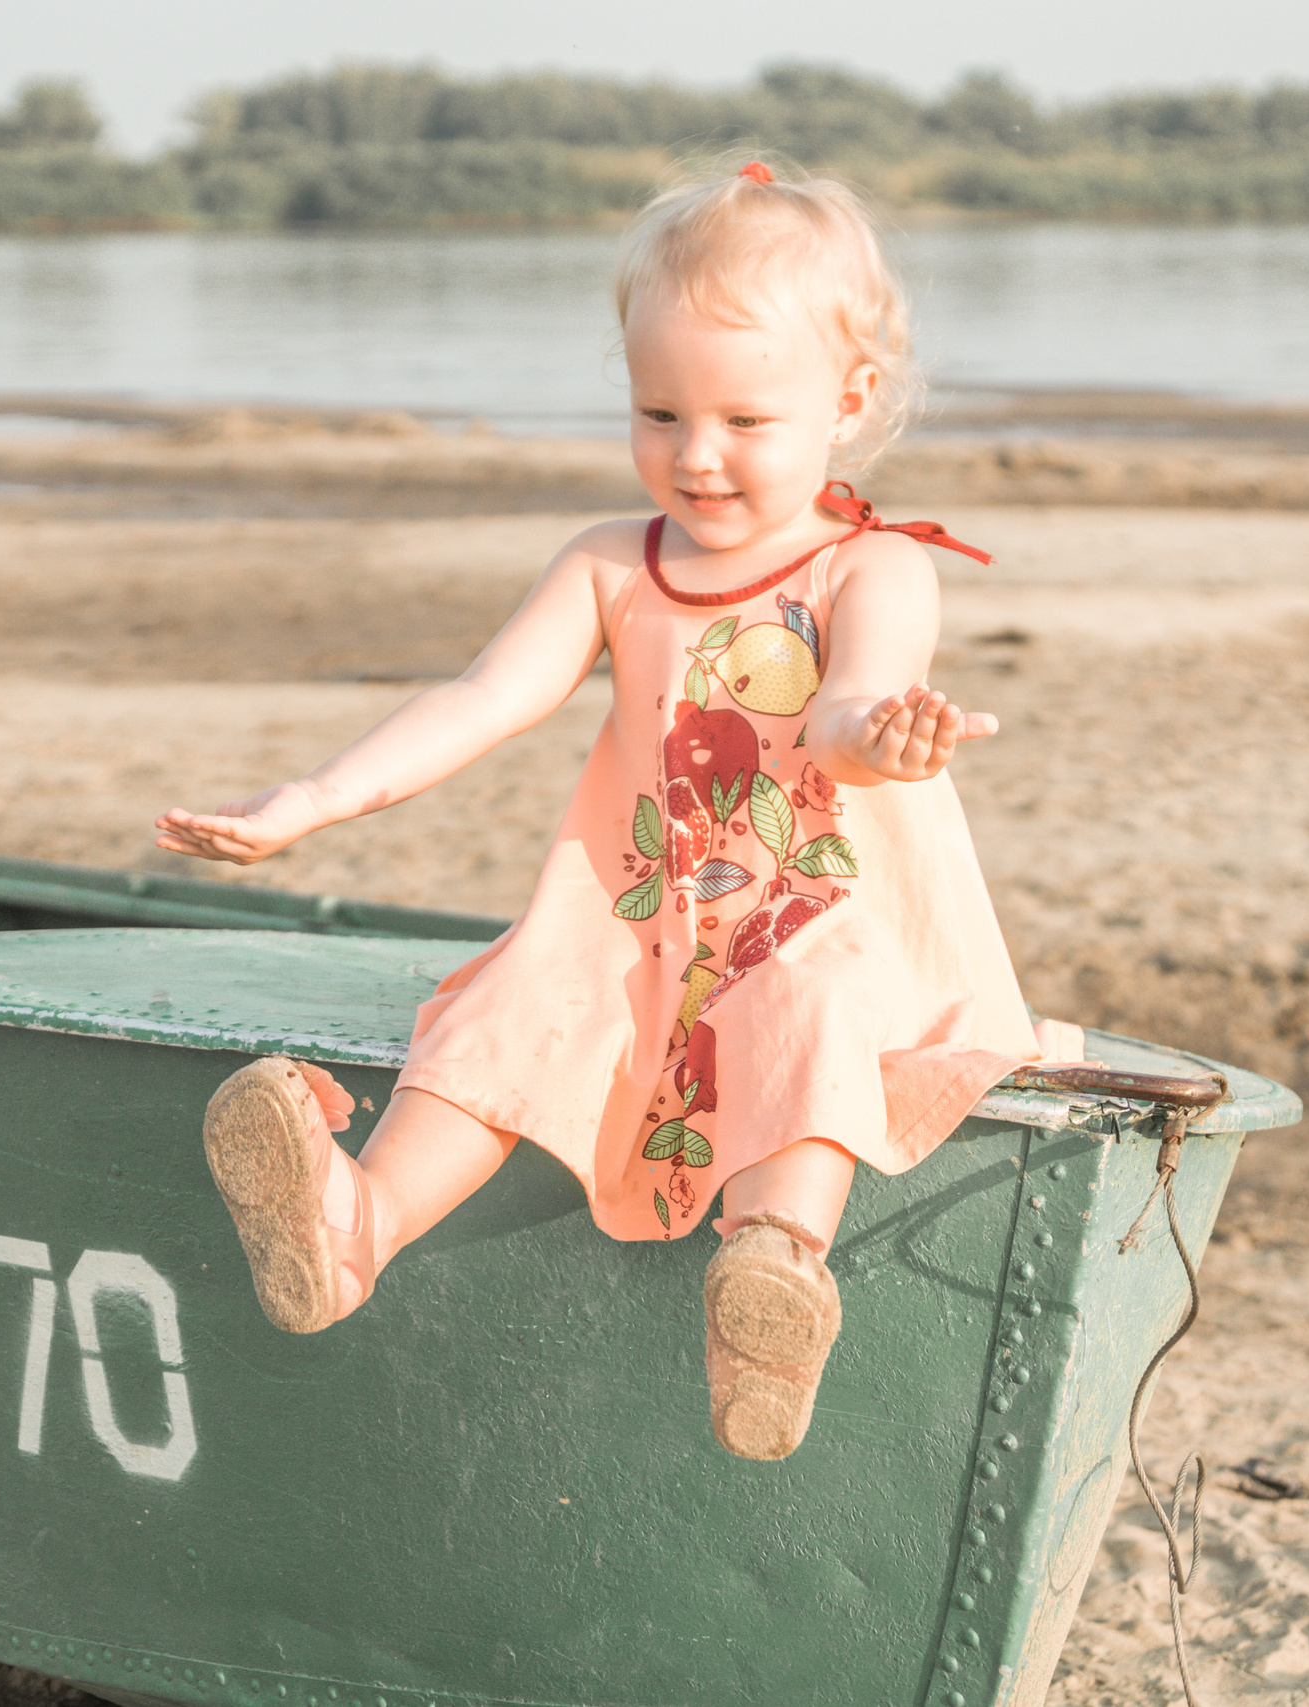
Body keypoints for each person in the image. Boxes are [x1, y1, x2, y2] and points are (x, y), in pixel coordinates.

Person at [155, 159, 1047, 1461]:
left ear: (848, 402)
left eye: (746, 420)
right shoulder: (603, 567)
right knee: (512, 1003)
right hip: (646, 927)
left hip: (821, 917)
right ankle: (352, 1229)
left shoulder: (875, 566)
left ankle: (772, 1279)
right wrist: (315, 797)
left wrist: (886, 737)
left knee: (809, 1014)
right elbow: (481, 698)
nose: (696, 455)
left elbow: (850, 712)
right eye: (658, 411)